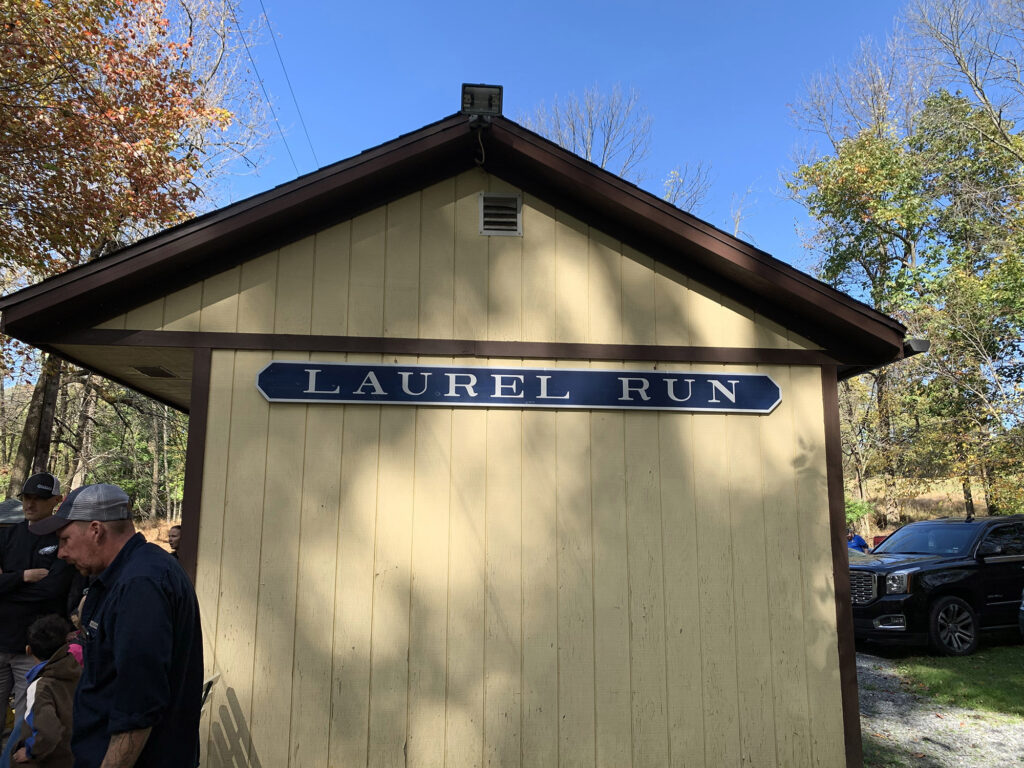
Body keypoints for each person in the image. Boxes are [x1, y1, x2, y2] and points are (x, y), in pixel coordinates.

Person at [30, 484, 203, 768]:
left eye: (65, 540)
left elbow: (139, 705)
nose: (60, 553)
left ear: (95, 530)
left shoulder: (140, 585)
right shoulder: (129, 573)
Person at [0, 473, 72, 736]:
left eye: (39, 499)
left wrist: (7, 584)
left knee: (26, 724)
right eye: (26, 498)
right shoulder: (7, 535)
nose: (30, 504)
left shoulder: (62, 539)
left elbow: (53, 589)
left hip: (36, 650)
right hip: (1, 639)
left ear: (56, 500)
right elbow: (41, 588)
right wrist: (23, 577)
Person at [7, 614, 81, 768]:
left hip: (51, 759)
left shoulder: (40, 687)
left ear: (28, 650)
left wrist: (30, 751)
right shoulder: (76, 670)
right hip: (74, 752)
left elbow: (48, 732)